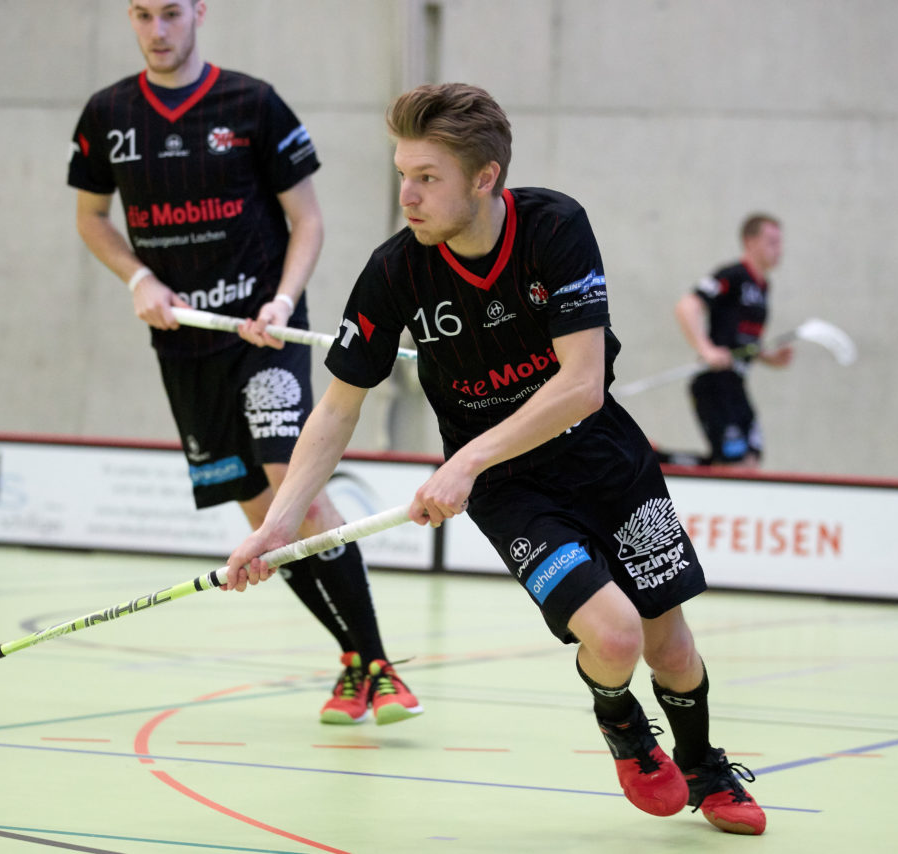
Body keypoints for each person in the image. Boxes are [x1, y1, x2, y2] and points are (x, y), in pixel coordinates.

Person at [223, 83, 766, 836]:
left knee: (669, 645)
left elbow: (581, 385)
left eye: (427, 177)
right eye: (402, 173)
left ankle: (703, 764)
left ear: (485, 177)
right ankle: (620, 721)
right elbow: (338, 409)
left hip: (603, 457)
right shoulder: (394, 271)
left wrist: (463, 460)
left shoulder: (555, 227)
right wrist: (280, 523)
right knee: (614, 636)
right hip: (512, 489)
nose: (407, 196)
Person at [66, 0, 420, 727]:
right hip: (185, 346)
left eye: (171, 13)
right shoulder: (107, 113)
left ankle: (381, 667)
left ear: (200, 11)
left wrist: (284, 301)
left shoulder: (252, 103)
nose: (158, 31)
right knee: (263, 520)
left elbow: (307, 220)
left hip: (265, 334)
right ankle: (355, 659)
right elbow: (91, 216)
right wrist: (138, 278)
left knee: (299, 500)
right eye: (142, 16)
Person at [673, 215, 793, 467]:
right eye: (771, 242)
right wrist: (706, 349)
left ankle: (661, 459)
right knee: (733, 465)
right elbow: (687, 306)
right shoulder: (732, 275)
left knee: (750, 462)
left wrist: (769, 358)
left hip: (736, 386)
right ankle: (656, 462)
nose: (779, 250)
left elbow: (742, 342)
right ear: (750, 242)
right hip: (714, 384)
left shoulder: (763, 286)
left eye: (780, 243)